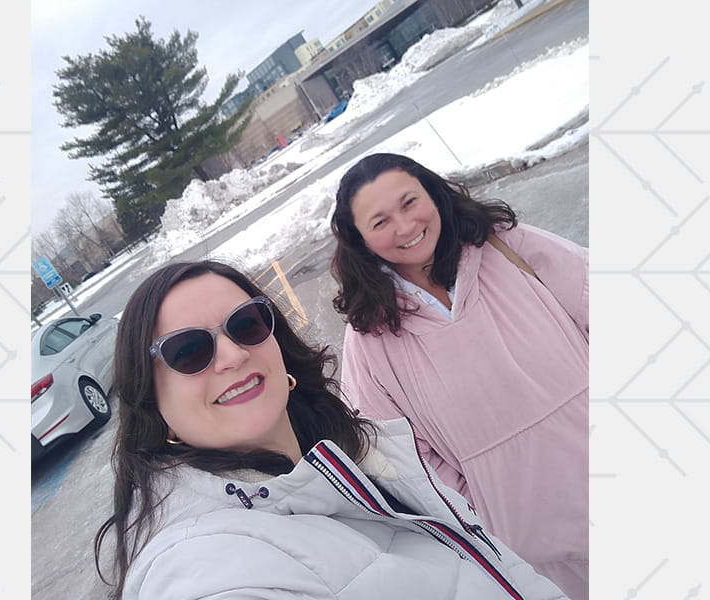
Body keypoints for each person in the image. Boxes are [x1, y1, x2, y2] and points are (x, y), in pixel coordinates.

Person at [95, 260, 569, 600]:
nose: (233, 355)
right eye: (188, 352)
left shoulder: (355, 454)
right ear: (152, 401)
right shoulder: (205, 562)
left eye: (246, 324)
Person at [330, 153, 588, 600]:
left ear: (433, 194)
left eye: (410, 202)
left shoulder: (507, 248)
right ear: (360, 240)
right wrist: (484, 512)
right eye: (380, 221)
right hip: (535, 547)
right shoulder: (370, 334)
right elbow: (393, 452)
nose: (405, 226)